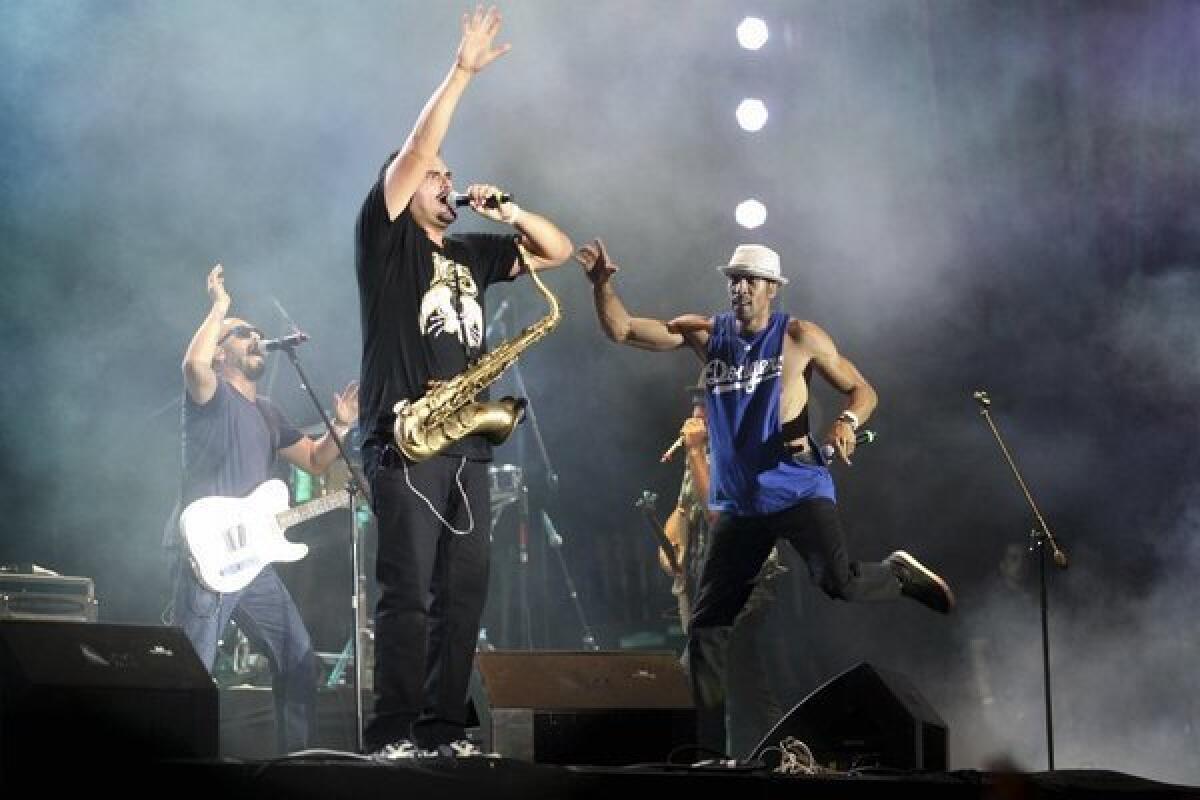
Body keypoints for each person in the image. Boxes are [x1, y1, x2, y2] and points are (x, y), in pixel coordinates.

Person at [577, 238, 955, 756]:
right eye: (734, 279)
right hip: (741, 505)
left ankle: (898, 574)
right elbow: (623, 329)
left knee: (838, 583)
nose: (740, 288)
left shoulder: (800, 336)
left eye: (751, 280)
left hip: (798, 486)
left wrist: (846, 422)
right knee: (707, 628)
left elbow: (863, 391)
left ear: (773, 289)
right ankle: (708, 751)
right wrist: (603, 285)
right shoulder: (707, 335)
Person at [353, 7, 572, 759]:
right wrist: (464, 73)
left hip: (467, 443)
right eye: (436, 177)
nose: (446, 179)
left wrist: (508, 209)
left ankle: (445, 730)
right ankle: (393, 732)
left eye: (449, 175)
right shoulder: (385, 240)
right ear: (406, 188)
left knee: (463, 595)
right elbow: (418, 147)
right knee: (407, 595)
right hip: (407, 437)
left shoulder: (473, 251)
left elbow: (559, 249)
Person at [173, 263, 359, 754]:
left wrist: (340, 426)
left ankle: (297, 764)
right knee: (191, 670)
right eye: (242, 334)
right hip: (207, 557)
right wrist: (219, 311)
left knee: (297, 659)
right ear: (220, 351)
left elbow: (318, 463)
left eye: (257, 334)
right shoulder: (210, 395)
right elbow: (192, 366)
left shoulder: (269, 411)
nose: (255, 338)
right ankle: (178, 763)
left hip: (253, 564)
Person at [661, 380, 785, 759]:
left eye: (705, 408)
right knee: (747, 680)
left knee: (692, 671)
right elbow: (684, 509)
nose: (696, 415)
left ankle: (703, 758)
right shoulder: (702, 451)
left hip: (748, 580)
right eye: (695, 406)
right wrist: (670, 547)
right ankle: (784, 755)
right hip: (715, 582)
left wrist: (696, 452)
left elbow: (718, 513)